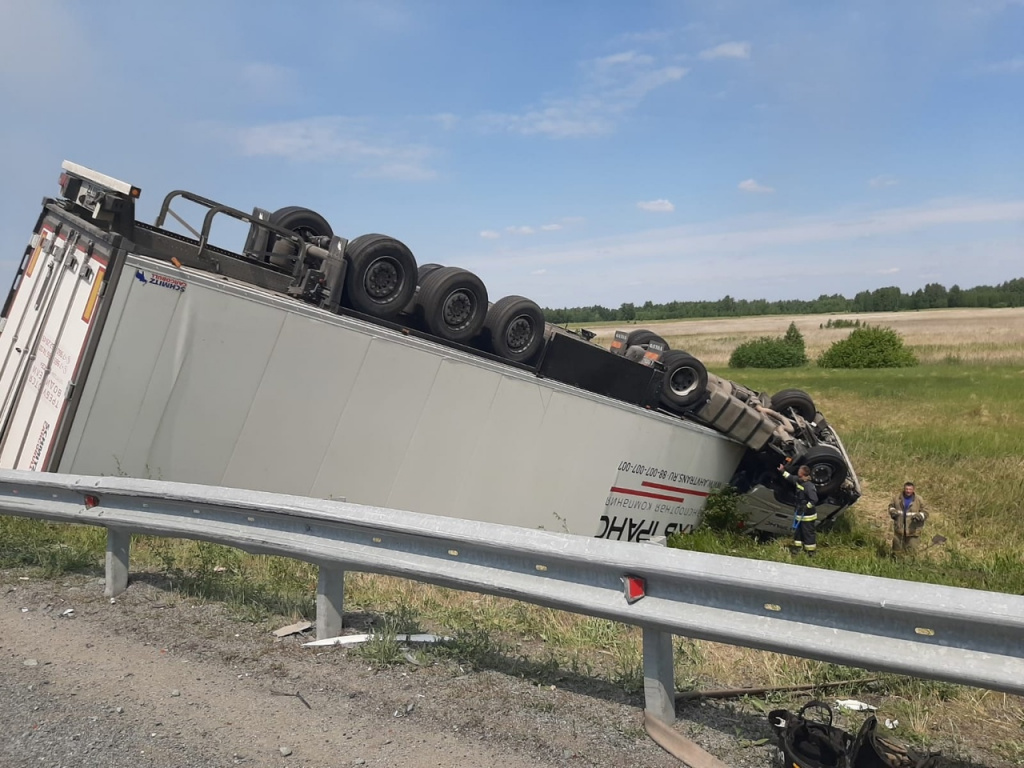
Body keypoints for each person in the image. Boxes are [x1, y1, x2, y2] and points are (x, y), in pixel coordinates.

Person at [778, 463, 818, 556]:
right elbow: (790, 477)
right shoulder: (798, 480)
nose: (798, 471)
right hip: (799, 512)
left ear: (803, 473)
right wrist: (782, 471)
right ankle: (797, 548)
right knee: (798, 533)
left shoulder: (809, 486)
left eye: (800, 470)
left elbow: (814, 499)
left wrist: (806, 507)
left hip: (808, 515)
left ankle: (811, 551)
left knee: (808, 533)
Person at [889, 482, 928, 553]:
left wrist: (919, 516)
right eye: (906, 489)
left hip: (913, 531)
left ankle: (909, 564)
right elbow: (891, 506)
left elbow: (926, 511)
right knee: (896, 552)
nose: (908, 491)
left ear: (913, 490)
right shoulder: (897, 498)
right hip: (899, 530)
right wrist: (893, 512)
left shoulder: (919, 499)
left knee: (911, 553)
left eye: (910, 489)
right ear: (904, 489)